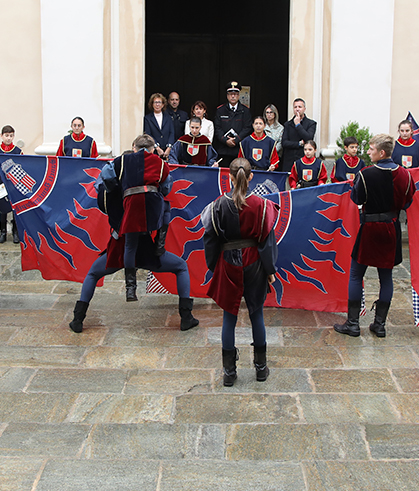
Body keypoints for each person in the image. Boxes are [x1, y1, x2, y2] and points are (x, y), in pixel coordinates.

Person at [66, 134, 199, 332]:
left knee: (93, 273)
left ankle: (78, 320)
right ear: (152, 150)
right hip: (147, 248)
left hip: (120, 243)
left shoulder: (117, 177)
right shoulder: (157, 167)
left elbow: (102, 188)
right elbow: (165, 189)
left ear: (134, 148)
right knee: (180, 266)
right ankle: (186, 317)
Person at [203, 158, 279, 386]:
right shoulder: (263, 206)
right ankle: (261, 369)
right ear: (251, 176)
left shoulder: (217, 206)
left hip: (228, 263)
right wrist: (270, 270)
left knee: (229, 315)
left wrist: (214, 264)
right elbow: (267, 242)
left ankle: (228, 372)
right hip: (254, 262)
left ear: (230, 177)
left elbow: (210, 240)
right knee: (257, 314)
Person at [334, 133, 414, 338]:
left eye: (371, 149)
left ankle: (352, 324)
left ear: (382, 152)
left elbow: (356, 197)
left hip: (370, 228)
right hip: (392, 227)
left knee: (355, 274)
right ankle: (379, 325)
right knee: (386, 277)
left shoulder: (366, 174)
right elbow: (407, 201)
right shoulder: (405, 174)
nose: (368, 153)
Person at [0, 125, 22, 244]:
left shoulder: (17, 151)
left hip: (13, 183)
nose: (8, 138)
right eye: (6, 136)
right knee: (2, 208)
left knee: (15, 208)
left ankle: (15, 232)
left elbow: (22, 166)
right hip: (1, 182)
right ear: (1, 136)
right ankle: (2, 232)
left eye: (11, 136)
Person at [214, 82, 253, 165]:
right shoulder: (220, 110)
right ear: (227, 95)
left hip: (239, 150)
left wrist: (236, 140)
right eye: (231, 94)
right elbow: (217, 128)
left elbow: (247, 128)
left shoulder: (245, 111)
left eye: (235, 94)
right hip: (223, 150)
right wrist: (226, 140)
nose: (233, 96)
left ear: (239, 95)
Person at [279, 98, 317, 174]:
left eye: (300, 107)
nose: (297, 109)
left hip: (304, 161)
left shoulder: (311, 123)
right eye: (295, 107)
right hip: (289, 162)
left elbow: (308, 138)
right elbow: (284, 143)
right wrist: (299, 144)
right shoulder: (288, 124)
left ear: (304, 109)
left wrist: (298, 125)